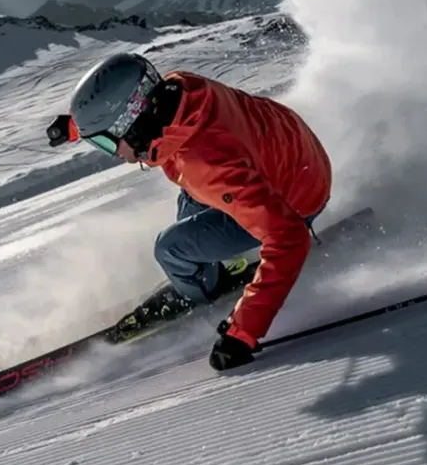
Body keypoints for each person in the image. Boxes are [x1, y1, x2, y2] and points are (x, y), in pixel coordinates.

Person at [46, 51, 331, 370]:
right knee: (189, 207)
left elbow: (289, 236)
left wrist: (243, 333)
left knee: (170, 249)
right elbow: (129, 98)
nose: (114, 155)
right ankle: (207, 269)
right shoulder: (179, 90)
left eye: (108, 144)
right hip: (293, 155)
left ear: (131, 126)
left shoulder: (206, 164)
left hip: (295, 200)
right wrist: (75, 127)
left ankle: (203, 293)